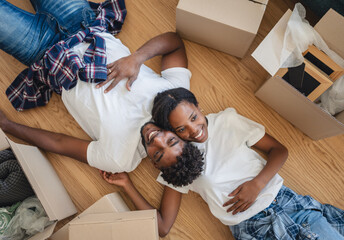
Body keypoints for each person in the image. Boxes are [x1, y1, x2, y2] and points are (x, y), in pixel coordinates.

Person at [101, 88, 344, 239]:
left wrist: (257, 184)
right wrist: (126, 184)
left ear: (198, 107)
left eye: (194, 118)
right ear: (172, 132)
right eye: (181, 129)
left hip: (286, 204)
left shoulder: (228, 121)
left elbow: (279, 150)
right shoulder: (177, 160)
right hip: (253, 231)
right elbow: (163, 226)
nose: (195, 131)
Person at [0, 0, 194, 173]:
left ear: (154, 163)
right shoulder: (176, 101)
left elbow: (59, 143)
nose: (157, 140)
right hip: (81, 23)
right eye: (171, 141)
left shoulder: (119, 160)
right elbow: (174, 42)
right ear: (178, 135)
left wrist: (6, 125)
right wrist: (137, 58)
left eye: (157, 153)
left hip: (45, 52)